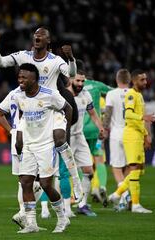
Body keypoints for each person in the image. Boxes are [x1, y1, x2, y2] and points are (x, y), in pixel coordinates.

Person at [0, 28, 83, 205]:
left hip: (52, 107)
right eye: (35, 35)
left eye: (41, 36)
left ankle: (76, 181)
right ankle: (29, 211)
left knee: (59, 138)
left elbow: (70, 74)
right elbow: (0, 63)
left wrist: (71, 59)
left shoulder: (55, 61)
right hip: (31, 110)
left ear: (48, 41)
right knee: (20, 146)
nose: (37, 37)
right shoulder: (23, 56)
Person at [14, 63, 71, 233]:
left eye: (24, 77)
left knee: (46, 185)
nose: (20, 80)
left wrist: (63, 133)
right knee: (25, 183)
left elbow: (67, 108)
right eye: (19, 77)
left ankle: (62, 218)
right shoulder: (19, 96)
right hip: (29, 145)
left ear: (34, 79)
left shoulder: (50, 95)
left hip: (46, 145)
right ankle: (31, 223)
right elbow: (22, 116)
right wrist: (19, 138)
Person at [0, 86, 43, 229]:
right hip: (30, 139)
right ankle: (24, 215)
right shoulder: (30, 93)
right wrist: (13, 130)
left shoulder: (13, 93)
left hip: (19, 139)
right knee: (37, 181)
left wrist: (12, 131)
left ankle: (26, 219)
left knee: (25, 182)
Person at [108, 69, 155, 213]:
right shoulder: (131, 95)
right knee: (134, 169)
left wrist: (146, 135)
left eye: (146, 79)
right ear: (134, 81)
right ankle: (129, 201)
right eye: (142, 80)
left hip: (138, 135)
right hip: (131, 136)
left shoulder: (139, 96)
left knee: (139, 171)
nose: (145, 82)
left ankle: (120, 196)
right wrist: (143, 118)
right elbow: (128, 115)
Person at [67, 64, 105, 217]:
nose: (80, 84)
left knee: (88, 171)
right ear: (71, 80)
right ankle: (62, 207)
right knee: (61, 174)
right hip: (64, 138)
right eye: (78, 81)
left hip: (79, 136)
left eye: (82, 81)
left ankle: (82, 204)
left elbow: (94, 114)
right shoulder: (63, 95)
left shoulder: (86, 95)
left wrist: (101, 128)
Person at [81, 60, 112, 206]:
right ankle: (102, 187)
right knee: (99, 158)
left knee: (80, 162)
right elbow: (114, 92)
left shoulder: (72, 85)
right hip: (96, 128)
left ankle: (82, 195)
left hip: (80, 130)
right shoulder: (97, 85)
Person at [103, 69, 131, 211]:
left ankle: (124, 194)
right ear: (129, 80)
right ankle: (125, 194)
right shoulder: (135, 94)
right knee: (128, 166)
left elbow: (107, 114)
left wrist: (104, 130)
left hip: (116, 133)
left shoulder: (111, 94)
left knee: (116, 166)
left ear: (116, 79)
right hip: (131, 134)